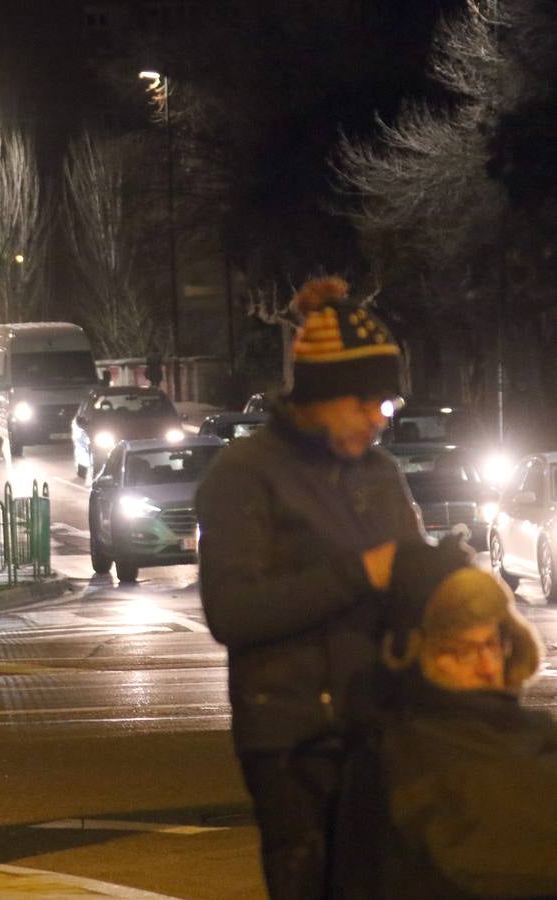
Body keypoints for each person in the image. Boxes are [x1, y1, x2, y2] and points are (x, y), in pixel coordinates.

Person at [195, 275, 425, 899]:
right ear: (322, 397)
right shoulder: (246, 473)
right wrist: (361, 573)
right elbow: (232, 611)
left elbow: (407, 575)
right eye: (369, 404)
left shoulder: (377, 473)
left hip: (375, 729)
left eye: (389, 407)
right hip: (293, 739)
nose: (380, 423)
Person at [331, 537, 557, 897]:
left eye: (492, 643)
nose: (486, 666)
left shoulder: (539, 737)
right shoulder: (396, 759)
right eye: (462, 650)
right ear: (420, 654)